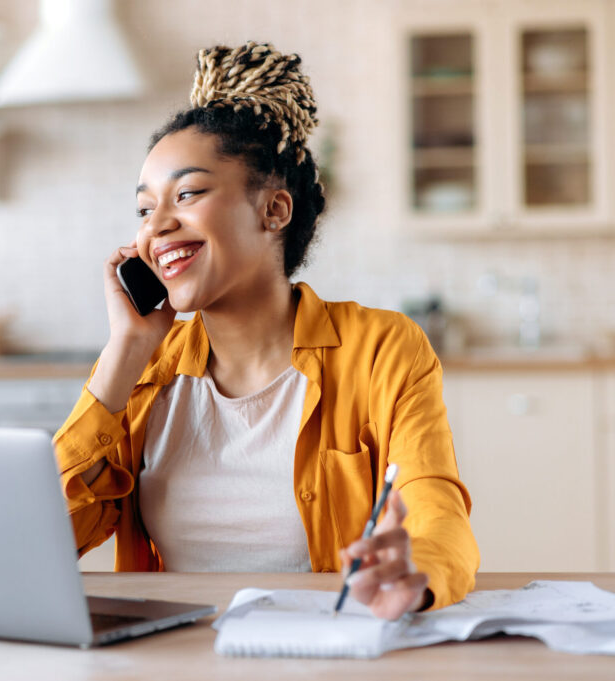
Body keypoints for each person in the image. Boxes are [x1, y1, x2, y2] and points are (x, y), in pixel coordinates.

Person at [53, 42, 478, 620]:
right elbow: (49, 540)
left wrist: (415, 570)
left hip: (325, 651)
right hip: (173, 658)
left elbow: (436, 506)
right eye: (144, 209)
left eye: (188, 193)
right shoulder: (146, 370)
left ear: (274, 211)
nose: (157, 226)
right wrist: (124, 351)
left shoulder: (383, 349)